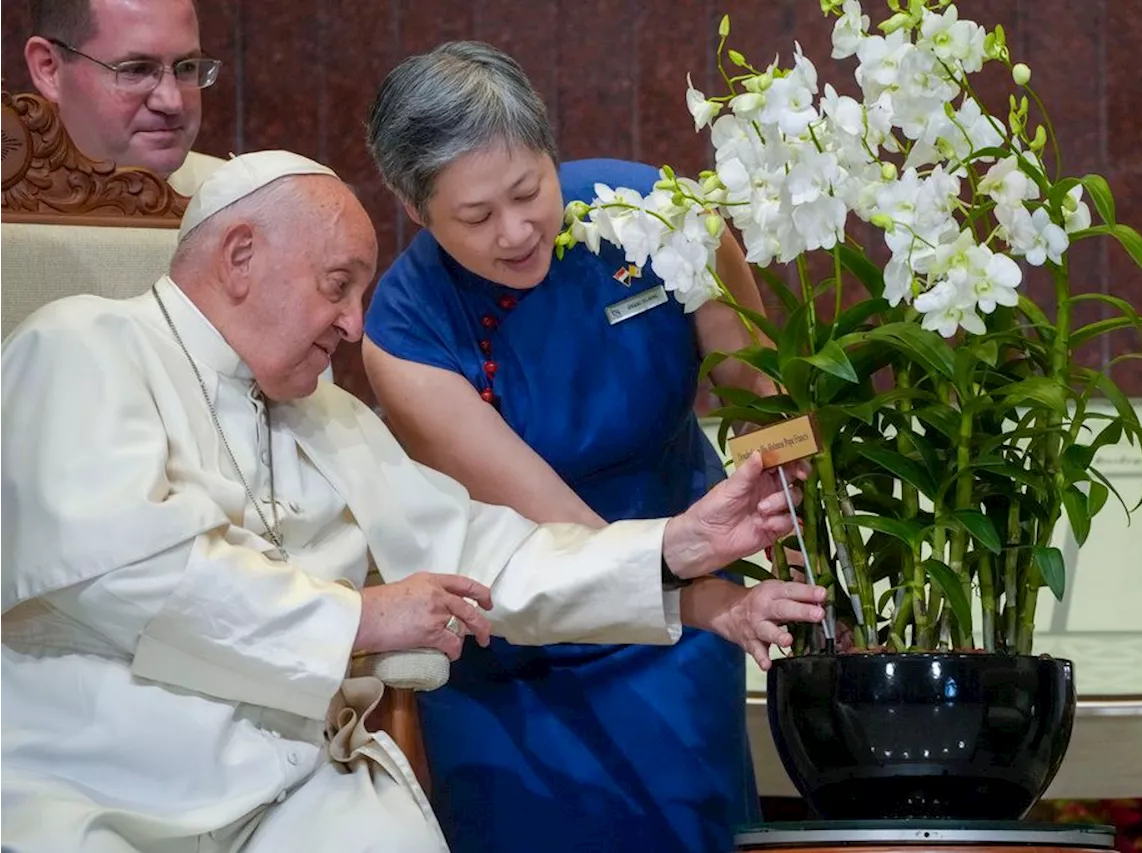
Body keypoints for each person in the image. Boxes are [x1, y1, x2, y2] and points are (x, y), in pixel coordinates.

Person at [0, 150, 828, 853]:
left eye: (360, 292)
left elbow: (478, 549)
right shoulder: (80, 344)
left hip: (294, 791)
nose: (354, 325)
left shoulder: (326, 415)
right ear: (240, 255)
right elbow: (126, 572)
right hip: (100, 779)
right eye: (336, 285)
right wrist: (360, 620)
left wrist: (671, 549)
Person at [362, 42, 785, 853]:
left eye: (530, 190)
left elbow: (755, 385)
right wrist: (707, 601)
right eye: (476, 217)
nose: (518, 231)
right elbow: (556, 531)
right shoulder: (406, 332)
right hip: (520, 630)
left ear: (554, 151)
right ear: (416, 212)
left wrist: (792, 511)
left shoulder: (657, 213)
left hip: (681, 626)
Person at [23, 0, 224, 195]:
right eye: (137, 69)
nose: (172, 102)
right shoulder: (10, 215)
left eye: (187, 66)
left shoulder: (236, 196)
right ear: (49, 69)